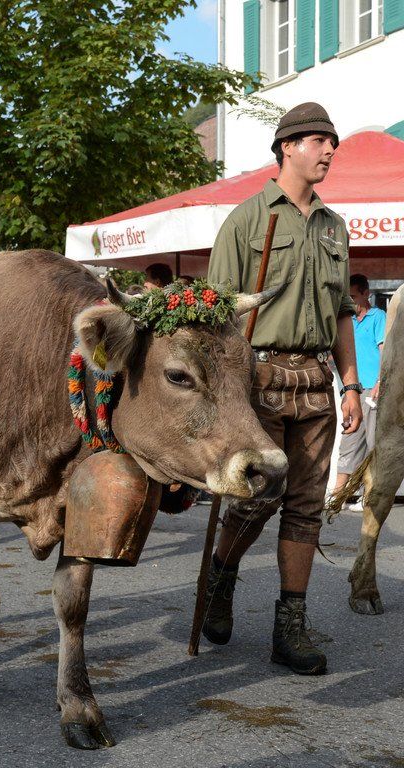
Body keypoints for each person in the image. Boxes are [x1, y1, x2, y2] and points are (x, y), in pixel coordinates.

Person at [205, 102, 363, 675]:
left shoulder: (334, 226)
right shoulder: (245, 220)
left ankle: (289, 628)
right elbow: (217, 316)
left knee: (305, 509)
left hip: (318, 383)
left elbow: (342, 313)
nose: (329, 151)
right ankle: (220, 579)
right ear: (288, 147)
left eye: (332, 142)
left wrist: (351, 383)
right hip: (260, 380)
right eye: (319, 140)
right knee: (257, 499)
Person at [334, 274, 386, 511]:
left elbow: (384, 351)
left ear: (366, 294)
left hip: (373, 389)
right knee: (349, 440)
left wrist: (380, 382)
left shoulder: (378, 317)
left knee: (372, 441)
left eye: (353, 296)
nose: (350, 301)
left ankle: (370, 495)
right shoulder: (347, 320)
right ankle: (337, 496)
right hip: (352, 390)